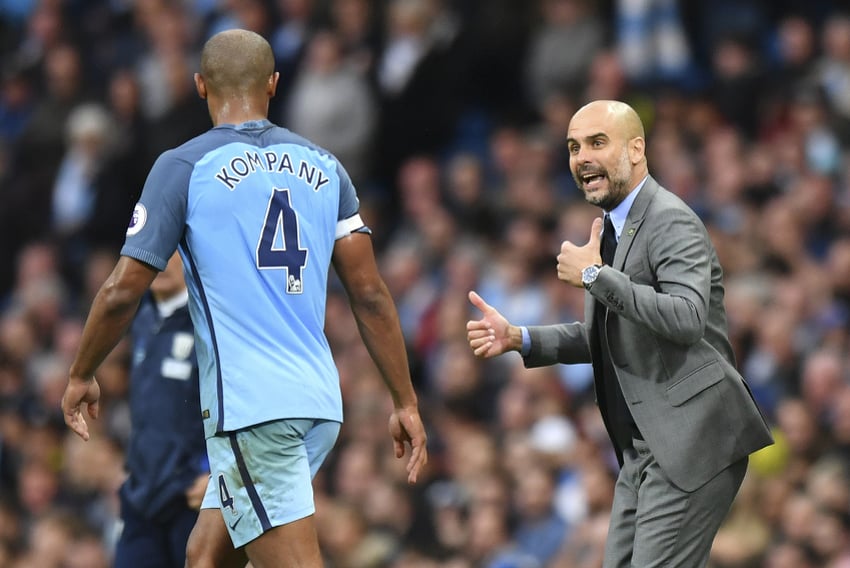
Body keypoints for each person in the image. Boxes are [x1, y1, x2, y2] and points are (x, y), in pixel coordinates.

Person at [60, 28, 428, 568]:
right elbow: (370, 295)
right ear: (274, 85)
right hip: (319, 403)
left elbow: (120, 292)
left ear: (200, 86)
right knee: (206, 557)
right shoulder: (326, 166)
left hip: (254, 409)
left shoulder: (183, 167)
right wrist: (405, 401)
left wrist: (80, 372)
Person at [466, 99, 773, 567]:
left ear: (636, 149)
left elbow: (688, 318)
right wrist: (519, 337)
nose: (581, 157)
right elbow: (607, 336)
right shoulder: (612, 228)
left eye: (596, 142)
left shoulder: (670, 218)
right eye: (572, 147)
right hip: (642, 451)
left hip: (691, 441)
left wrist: (595, 277)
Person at [113, 252, 209, 568]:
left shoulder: (209, 324)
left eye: (173, 253)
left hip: (191, 497)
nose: (163, 262)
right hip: (142, 495)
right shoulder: (142, 319)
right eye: (157, 251)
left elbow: (233, 402)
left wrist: (215, 470)